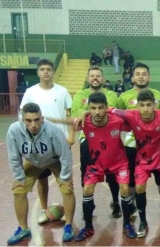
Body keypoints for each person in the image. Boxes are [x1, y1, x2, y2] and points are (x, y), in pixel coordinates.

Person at [111, 89, 160, 237]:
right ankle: (143, 222)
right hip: (142, 160)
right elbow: (111, 110)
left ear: (154, 105)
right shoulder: (131, 115)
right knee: (139, 188)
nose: (145, 109)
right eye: (142, 105)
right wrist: (85, 113)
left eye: (149, 105)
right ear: (137, 106)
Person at [6, 103, 75, 245]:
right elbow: (14, 156)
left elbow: (65, 155)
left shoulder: (53, 131)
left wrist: (65, 177)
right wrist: (19, 178)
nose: (33, 124)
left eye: (37, 120)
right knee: (18, 190)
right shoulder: (14, 130)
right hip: (32, 161)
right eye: (29, 121)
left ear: (42, 118)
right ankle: (23, 229)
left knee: (67, 188)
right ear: (22, 120)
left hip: (54, 159)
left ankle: (68, 226)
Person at [74, 92, 136, 241]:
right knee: (87, 190)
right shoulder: (86, 122)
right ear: (89, 108)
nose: (97, 112)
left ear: (107, 108)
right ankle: (88, 227)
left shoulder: (117, 121)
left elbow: (133, 121)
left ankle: (127, 224)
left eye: (101, 108)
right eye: (93, 108)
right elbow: (71, 123)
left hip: (119, 163)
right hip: (95, 164)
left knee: (125, 189)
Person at [19, 58, 72, 224]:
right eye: (42, 69)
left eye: (49, 69)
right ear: (38, 72)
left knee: (65, 181)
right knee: (42, 179)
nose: (46, 72)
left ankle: (69, 217)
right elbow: (22, 116)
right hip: (38, 146)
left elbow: (69, 115)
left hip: (59, 144)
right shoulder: (31, 92)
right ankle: (43, 209)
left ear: (53, 72)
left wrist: (70, 136)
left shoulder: (62, 91)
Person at [117, 62, 160, 215]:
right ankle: (132, 206)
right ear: (132, 78)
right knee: (132, 176)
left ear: (149, 77)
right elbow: (119, 118)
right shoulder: (124, 97)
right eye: (137, 74)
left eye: (144, 74)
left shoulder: (158, 95)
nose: (141, 77)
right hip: (132, 144)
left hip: (156, 145)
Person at [71, 66, 121, 218]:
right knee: (85, 171)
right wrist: (87, 112)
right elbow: (75, 114)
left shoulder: (111, 94)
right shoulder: (80, 94)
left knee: (112, 173)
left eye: (98, 76)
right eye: (92, 76)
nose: (95, 78)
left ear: (103, 79)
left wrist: (86, 111)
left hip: (110, 140)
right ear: (87, 79)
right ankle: (88, 202)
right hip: (88, 139)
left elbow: (110, 110)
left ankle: (115, 201)